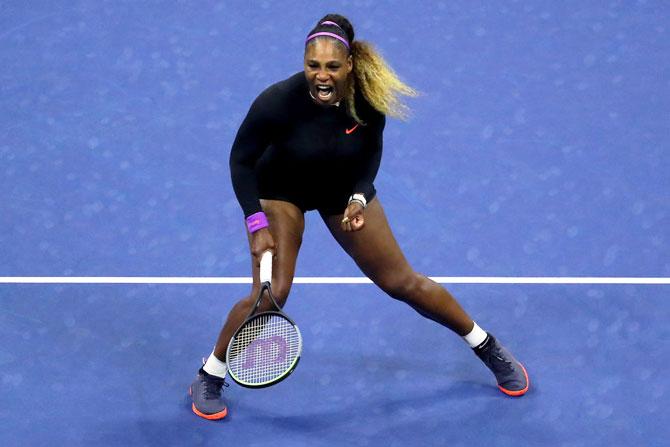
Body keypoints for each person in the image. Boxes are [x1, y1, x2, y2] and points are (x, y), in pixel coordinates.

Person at [189, 13, 529, 420]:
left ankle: (486, 345)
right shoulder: (276, 102)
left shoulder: (368, 100)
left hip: (339, 194)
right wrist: (256, 224)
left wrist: (359, 198)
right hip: (280, 194)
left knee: (403, 282)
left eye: (332, 66)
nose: (321, 76)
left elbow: (369, 158)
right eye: (313, 66)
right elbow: (241, 162)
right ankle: (209, 375)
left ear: (348, 65)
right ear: (304, 63)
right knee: (273, 292)